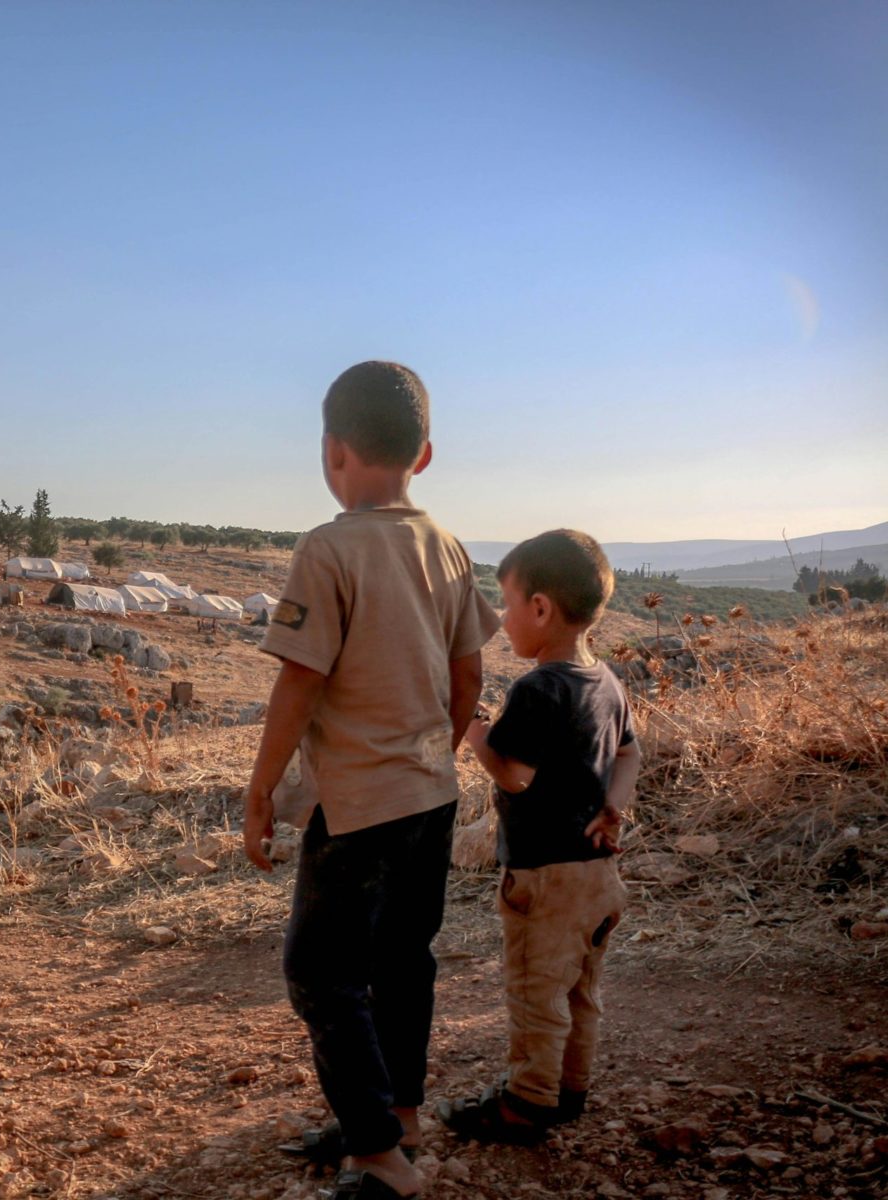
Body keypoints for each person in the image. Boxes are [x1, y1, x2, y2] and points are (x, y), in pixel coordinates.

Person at [244, 361, 500, 1200]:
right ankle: (400, 1113)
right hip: (432, 795)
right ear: (424, 455)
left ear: (332, 451)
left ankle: (378, 1156)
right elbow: (469, 678)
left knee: (320, 973)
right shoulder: (450, 547)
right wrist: (441, 750)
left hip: (357, 808)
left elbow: (298, 683)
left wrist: (259, 792)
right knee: (402, 959)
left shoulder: (329, 547)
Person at [436, 530, 638, 1143]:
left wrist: (473, 730)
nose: (502, 618)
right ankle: (568, 1090)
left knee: (534, 994)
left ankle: (525, 1104)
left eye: (507, 602)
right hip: (598, 877)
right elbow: (630, 753)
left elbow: (514, 777)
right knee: (580, 992)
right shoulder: (604, 680)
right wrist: (613, 809)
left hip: (544, 879)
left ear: (542, 609)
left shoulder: (537, 689)